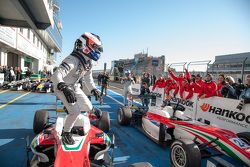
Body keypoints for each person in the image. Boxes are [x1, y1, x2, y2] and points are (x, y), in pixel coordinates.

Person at [51, 32, 103, 145]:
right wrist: (63, 87)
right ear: (85, 45)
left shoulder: (88, 61)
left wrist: (94, 89)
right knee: (75, 112)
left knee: (89, 107)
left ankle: (68, 108)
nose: (97, 50)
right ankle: (66, 133)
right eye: (95, 47)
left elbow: (88, 78)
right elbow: (55, 76)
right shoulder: (72, 60)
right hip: (62, 87)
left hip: (74, 87)